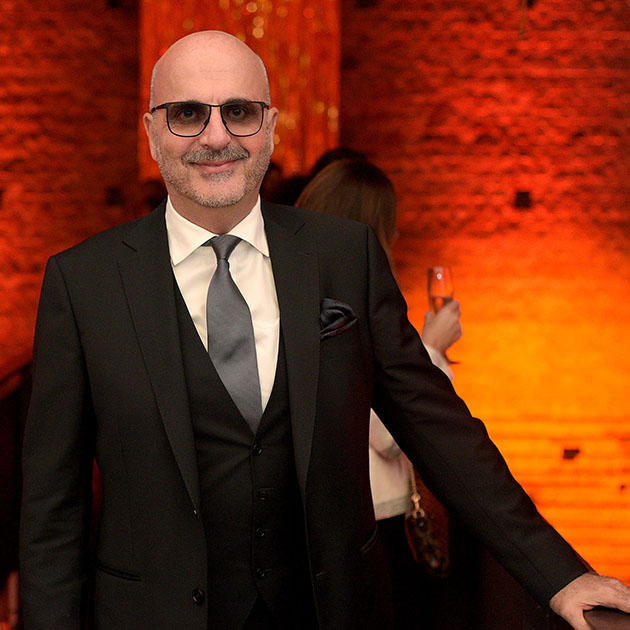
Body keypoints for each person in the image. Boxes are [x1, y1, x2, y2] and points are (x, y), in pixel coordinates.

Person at [19, 30, 630, 630]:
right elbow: (52, 507)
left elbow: (437, 426)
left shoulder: (344, 256)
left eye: (240, 112)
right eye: (187, 114)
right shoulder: (83, 283)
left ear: (270, 126)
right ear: (152, 132)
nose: (216, 137)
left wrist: (560, 574)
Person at [297, 158, 464, 628]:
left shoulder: (296, 294)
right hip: (372, 523)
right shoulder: (341, 306)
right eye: (389, 225)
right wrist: (431, 348)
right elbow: (388, 433)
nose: (396, 237)